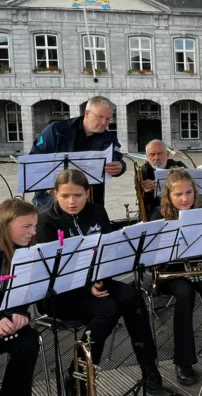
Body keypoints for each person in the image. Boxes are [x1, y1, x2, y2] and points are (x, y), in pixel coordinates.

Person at [36, 169, 162, 395]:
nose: (72, 201)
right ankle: (79, 371)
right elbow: (49, 270)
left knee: (132, 296)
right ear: (55, 194)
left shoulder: (97, 212)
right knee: (109, 309)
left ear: (88, 193)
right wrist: (87, 285)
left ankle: (149, 370)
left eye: (78, 195)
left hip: (96, 280)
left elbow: (108, 252)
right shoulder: (46, 221)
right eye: (65, 196)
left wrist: (99, 280)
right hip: (60, 292)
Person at [149, 169, 202, 384]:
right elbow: (155, 259)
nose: (185, 199)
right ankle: (183, 360)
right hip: (172, 274)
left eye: (189, 193)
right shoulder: (158, 216)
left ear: (195, 193)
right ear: (168, 196)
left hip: (198, 268)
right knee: (185, 295)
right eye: (178, 194)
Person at [30, 96, 126, 209]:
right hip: (52, 198)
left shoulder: (110, 138)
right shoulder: (56, 130)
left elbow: (117, 158)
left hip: (91, 200)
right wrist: (47, 184)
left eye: (108, 119)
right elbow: (34, 160)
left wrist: (120, 167)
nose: (104, 122)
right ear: (87, 113)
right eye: (100, 117)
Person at [0, 199, 40, 396]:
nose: (33, 232)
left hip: (4, 322)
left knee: (29, 339)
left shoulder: (22, 252)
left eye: (34, 226)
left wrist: (19, 312)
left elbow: (22, 291)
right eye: (27, 226)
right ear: (6, 225)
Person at [139, 139, 187, 218]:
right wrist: (144, 190)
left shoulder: (178, 165)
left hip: (180, 206)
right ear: (147, 157)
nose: (156, 158)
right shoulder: (142, 171)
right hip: (155, 208)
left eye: (160, 153)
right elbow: (141, 199)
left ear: (167, 154)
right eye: (152, 154)